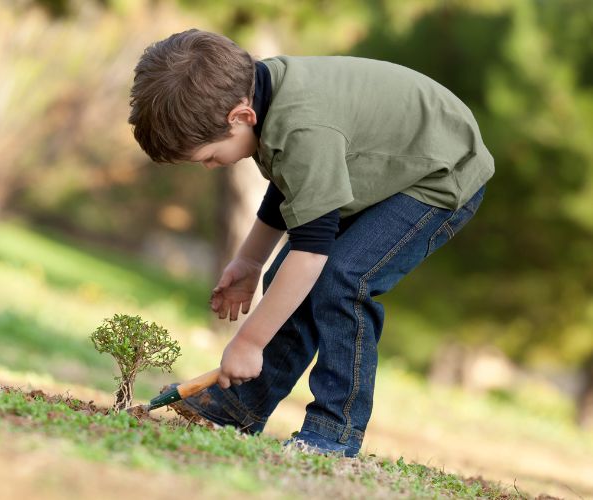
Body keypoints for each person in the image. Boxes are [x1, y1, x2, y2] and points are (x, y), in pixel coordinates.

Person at [128, 29, 493, 457]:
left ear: (240, 117)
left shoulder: (302, 126)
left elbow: (311, 253)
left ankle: (334, 432)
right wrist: (249, 262)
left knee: (342, 279)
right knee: (292, 279)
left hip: (441, 175)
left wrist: (248, 342)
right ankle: (239, 408)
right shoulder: (264, 95)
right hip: (380, 169)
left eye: (209, 156)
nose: (209, 167)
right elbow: (293, 184)